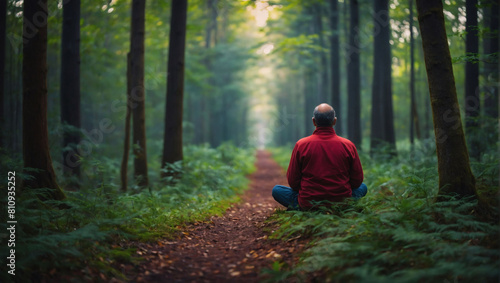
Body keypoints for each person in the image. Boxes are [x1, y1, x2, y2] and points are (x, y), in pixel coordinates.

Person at [272, 103, 367, 210]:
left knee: (277, 190)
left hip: (309, 202)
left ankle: (303, 207)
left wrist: (311, 192)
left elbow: (293, 182)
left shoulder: (301, 145)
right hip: (342, 202)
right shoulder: (348, 145)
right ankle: (342, 206)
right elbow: (357, 181)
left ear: (314, 121)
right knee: (363, 187)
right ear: (334, 121)